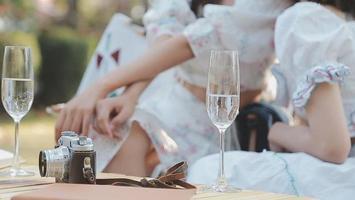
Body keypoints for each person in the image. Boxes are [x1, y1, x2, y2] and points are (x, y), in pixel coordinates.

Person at [54, 0, 293, 177]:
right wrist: (130, 95)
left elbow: (189, 44)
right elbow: (165, 45)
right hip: (182, 104)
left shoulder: (262, 6)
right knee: (118, 130)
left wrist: (100, 87)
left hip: (245, 118)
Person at [188, 1, 355, 199]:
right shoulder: (340, 23)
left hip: (346, 175)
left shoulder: (305, 19)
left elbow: (332, 147)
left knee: (209, 170)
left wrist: (278, 132)